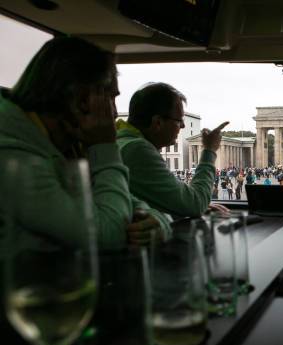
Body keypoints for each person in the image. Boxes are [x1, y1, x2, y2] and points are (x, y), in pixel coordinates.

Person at [0, 37, 169, 252]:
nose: (115, 113)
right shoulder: (13, 154)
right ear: (82, 99)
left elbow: (126, 203)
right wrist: (105, 146)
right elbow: (109, 234)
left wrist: (157, 222)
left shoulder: (65, 146)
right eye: (111, 98)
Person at [116, 82, 229, 218]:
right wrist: (209, 151)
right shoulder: (137, 150)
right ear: (157, 123)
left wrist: (179, 207)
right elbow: (195, 204)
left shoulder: (123, 144)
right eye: (179, 120)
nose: (182, 126)